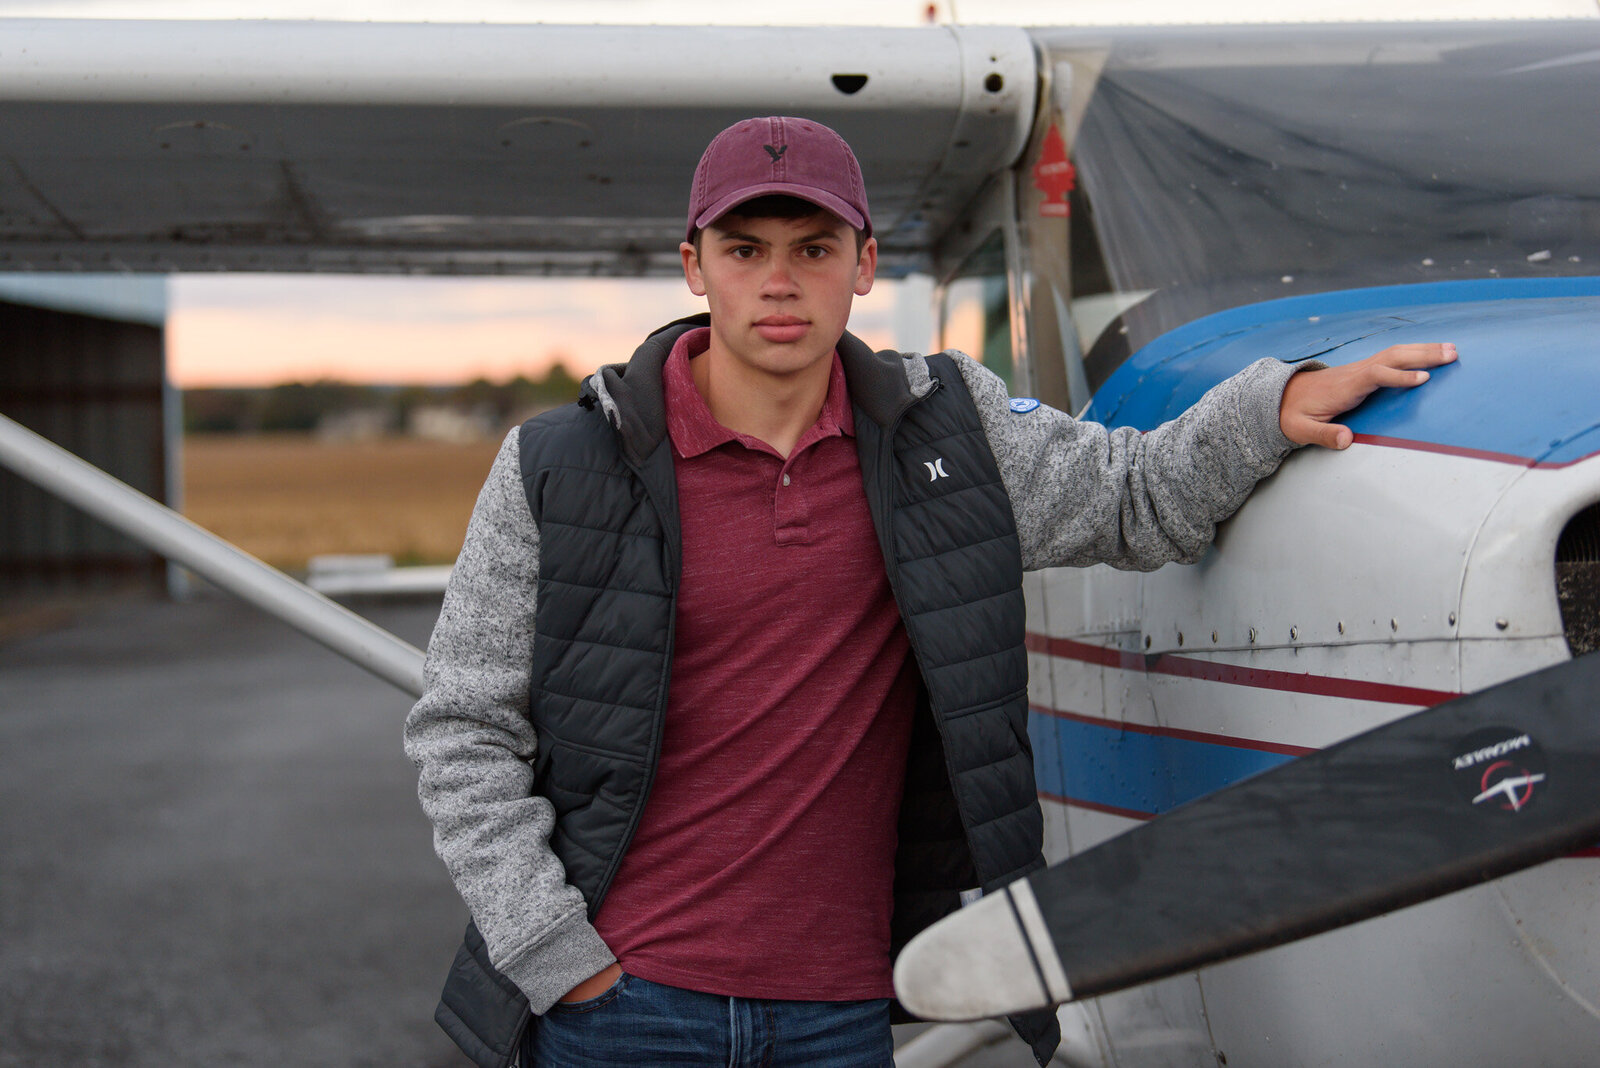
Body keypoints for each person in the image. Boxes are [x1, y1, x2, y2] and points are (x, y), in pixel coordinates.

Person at [404, 115, 1456, 1068]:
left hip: (840, 1009)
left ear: (863, 266)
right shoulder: (560, 463)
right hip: (623, 1007)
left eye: (814, 251)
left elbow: (1136, 499)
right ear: (696, 267)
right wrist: (556, 952)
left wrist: (1273, 400)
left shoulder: (949, 432)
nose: (780, 283)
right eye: (745, 251)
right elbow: (462, 727)